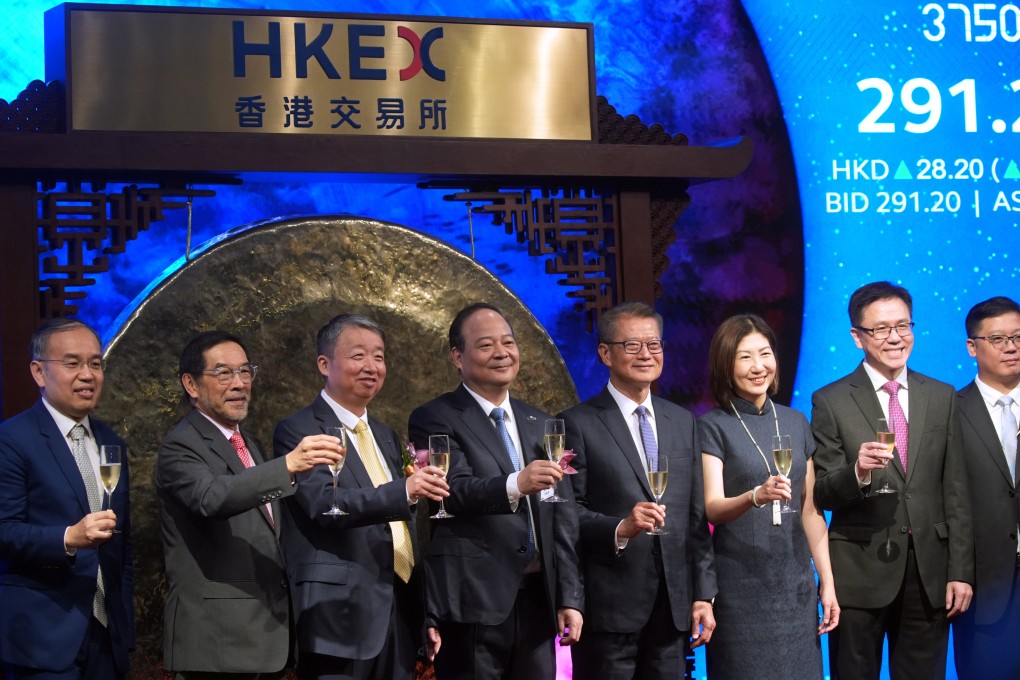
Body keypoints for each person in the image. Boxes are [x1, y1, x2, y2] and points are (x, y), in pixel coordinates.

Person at [407, 302, 583, 680]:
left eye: (508, 342)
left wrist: (569, 597)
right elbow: (451, 491)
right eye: (486, 345)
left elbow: (562, 518)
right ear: (458, 357)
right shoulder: (434, 418)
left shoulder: (541, 422)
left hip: (539, 601)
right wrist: (517, 483)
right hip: (473, 601)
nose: (502, 353)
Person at [155, 330, 342, 679]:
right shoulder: (180, 446)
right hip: (218, 646)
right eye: (223, 373)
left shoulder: (247, 442)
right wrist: (287, 466)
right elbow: (212, 498)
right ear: (191, 384)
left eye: (245, 371)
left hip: (264, 639)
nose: (239, 383)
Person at [811, 281, 974, 679]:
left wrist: (960, 570)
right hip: (859, 570)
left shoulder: (941, 395)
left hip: (929, 572)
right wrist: (858, 472)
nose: (896, 337)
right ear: (857, 337)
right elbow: (823, 492)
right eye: (881, 329)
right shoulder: (830, 400)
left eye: (903, 326)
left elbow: (956, 489)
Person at [274, 314, 449, 680]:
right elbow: (324, 504)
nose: (372, 366)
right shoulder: (298, 429)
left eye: (379, 357)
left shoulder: (385, 435)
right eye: (358, 355)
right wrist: (404, 491)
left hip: (398, 613)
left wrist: (425, 613)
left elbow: (397, 527)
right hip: (338, 619)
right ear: (324, 364)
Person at [559, 301, 716, 680]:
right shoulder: (576, 423)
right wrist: (620, 527)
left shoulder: (682, 421)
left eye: (654, 344)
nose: (646, 354)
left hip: (673, 607)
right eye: (632, 345)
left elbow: (695, 516)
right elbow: (566, 513)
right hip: (607, 608)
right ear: (605, 353)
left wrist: (703, 593)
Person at [698, 314, 838, 679]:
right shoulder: (713, 425)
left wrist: (826, 581)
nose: (758, 366)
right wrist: (754, 496)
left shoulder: (796, 421)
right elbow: (712, 508)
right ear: (725, 365)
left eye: (765, 354)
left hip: (795, 586)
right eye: (745, 357)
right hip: (740, 586)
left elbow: (810, 511)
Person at [0, 318, 133, 679]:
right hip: (41, 638)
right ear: (39, 372)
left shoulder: (111, 443)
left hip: (107, 636)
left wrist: (125, 629)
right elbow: (4, 530)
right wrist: (68, 538)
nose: (87, 375)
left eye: (95, 364)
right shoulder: (12, 440)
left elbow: (122, 546)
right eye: (72, 363)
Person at [952, 295, 1020, 680]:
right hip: (984, 591)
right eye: (997, 339)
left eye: (1018, 337)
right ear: (972, 347)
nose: (1011, 347)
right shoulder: (949, 410)